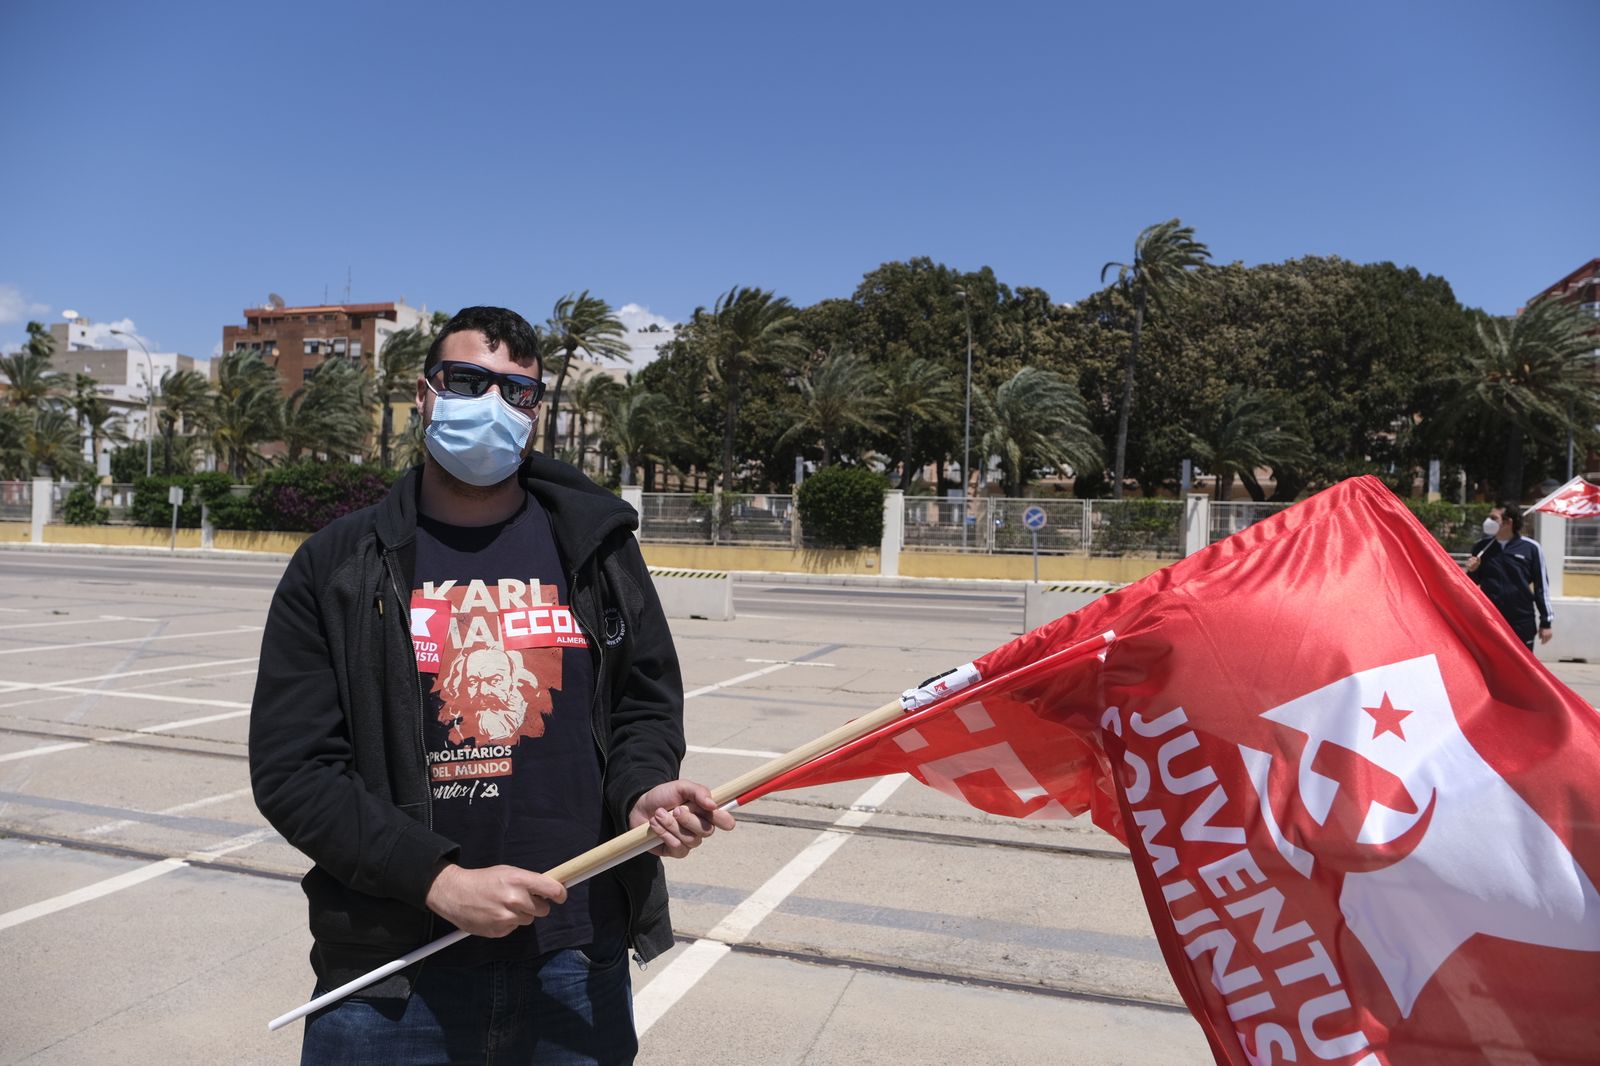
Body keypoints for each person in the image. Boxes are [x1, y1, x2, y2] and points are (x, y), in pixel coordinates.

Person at [249, 305, 734, 1065]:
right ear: (424, 394)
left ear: (536, 412)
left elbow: (643, 703)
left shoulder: (596, 550)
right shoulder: (337, 564)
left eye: (516, 390)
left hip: (576, 957)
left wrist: (641, 790)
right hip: (394, 977)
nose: (492, 403)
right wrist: (436, 880)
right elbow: (295, 770)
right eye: (467, 381)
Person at [1465, 501, 1554, 652]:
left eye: (1494, 518)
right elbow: (1470, 585)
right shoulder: (1481, 547)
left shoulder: (1531, 548)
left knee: (1522, 663)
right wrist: (1472, 570)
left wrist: (1546, 622)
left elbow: (1541, 588)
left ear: (1508, 522)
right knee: (1490, 661)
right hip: (1490, 618)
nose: (1488, 521)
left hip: (1521, 620)